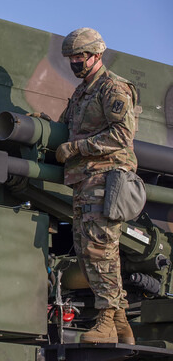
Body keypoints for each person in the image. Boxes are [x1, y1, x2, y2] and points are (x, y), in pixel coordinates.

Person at [56, 28, 137, 344]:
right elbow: (67, 127)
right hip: (84, 181)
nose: (75, 62)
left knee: (99, 249)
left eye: (80, 56)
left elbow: (122, 135)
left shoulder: (111, 87)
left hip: (105, 179)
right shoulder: (81, 93)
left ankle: (105, 322)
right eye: (72, 57)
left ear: (97, 55)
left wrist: (77, 148)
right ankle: (120, 324)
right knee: (91, 253)